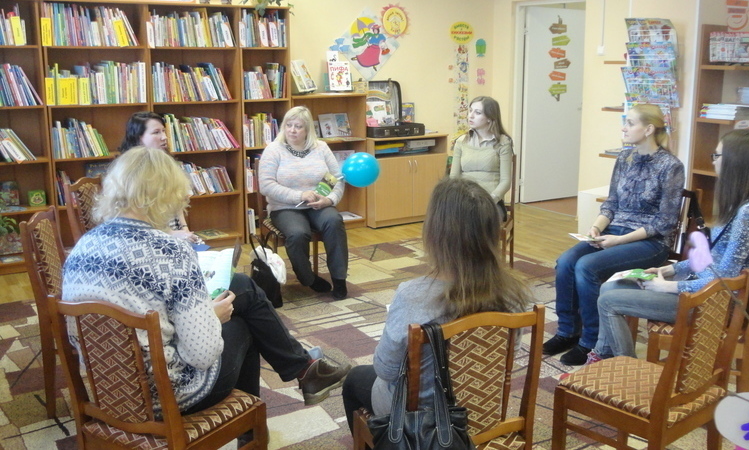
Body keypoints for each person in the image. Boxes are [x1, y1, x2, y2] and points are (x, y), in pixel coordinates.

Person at [62, 147, 351, 421]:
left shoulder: (81, 248)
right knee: (245, 324)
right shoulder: (171, 251)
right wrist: (211, 318)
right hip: (168, 396)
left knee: (240, 287)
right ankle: (255, 423)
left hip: (109, 394)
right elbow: (201, 355)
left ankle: (303, 372)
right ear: (167, 194)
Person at [341, 178, 530, 433]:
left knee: (354, 379)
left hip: (422, 421)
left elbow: (386, 370)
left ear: (435, 233)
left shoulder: (412, 296)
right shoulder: (513, 294)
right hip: (483, 409)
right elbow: (508, 358)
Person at [589, 130, 749, 361]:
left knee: (608, 302)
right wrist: (669, 270)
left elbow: (724, 279)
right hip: (700, 289)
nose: (714, 161)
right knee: (610, 287)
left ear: (735, 162)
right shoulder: (745, 205)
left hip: (708, 303)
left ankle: (624, 367)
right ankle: (604, 354)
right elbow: (711, 258)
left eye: (717, 155)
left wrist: (668, 287)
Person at [544, 103, 685, 365]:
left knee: (586, 266)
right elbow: (611, 203)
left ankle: (591, 341)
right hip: (614, 231)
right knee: (566, 261)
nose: (623, 128)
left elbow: (664, 223)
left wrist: (619, 240)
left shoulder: (671, 166)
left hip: (649, 242)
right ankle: (567, 332)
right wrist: (597, 227)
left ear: (649, 129)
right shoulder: (624, 158)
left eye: (630, 123)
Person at [259, 106, 349, 299]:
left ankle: (339, 279)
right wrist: (299, 196)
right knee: (298, 233)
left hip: (319, 204)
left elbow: (337, 178)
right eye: (289, 125)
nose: (292, 130)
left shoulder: (321, 148)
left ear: (308, 129)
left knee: (334, 221)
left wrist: (329, 200)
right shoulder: (274, 150)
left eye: (298, 126)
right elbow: (266, 186)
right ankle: (308, 278)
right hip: (285, 207)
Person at [118, 111, 200, 244]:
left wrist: (185, 230)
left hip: (175, 234)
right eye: (156, 132)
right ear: (138, 137)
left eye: (163, 131)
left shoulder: (167, 164)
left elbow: (178, 203)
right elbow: (134, 223)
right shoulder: (129, 171)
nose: (164, 137)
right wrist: (171, 234)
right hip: (146, 239)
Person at [449, 96, 513, 221]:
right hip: (464, 200)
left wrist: (490, 200)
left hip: (491, 202)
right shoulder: (461, 141)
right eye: (470, 111)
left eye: (477, 113)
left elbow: (505, 181)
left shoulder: (503, 142)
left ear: (490, 117)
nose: (471, 116)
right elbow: (454, 178)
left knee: (477, 219)